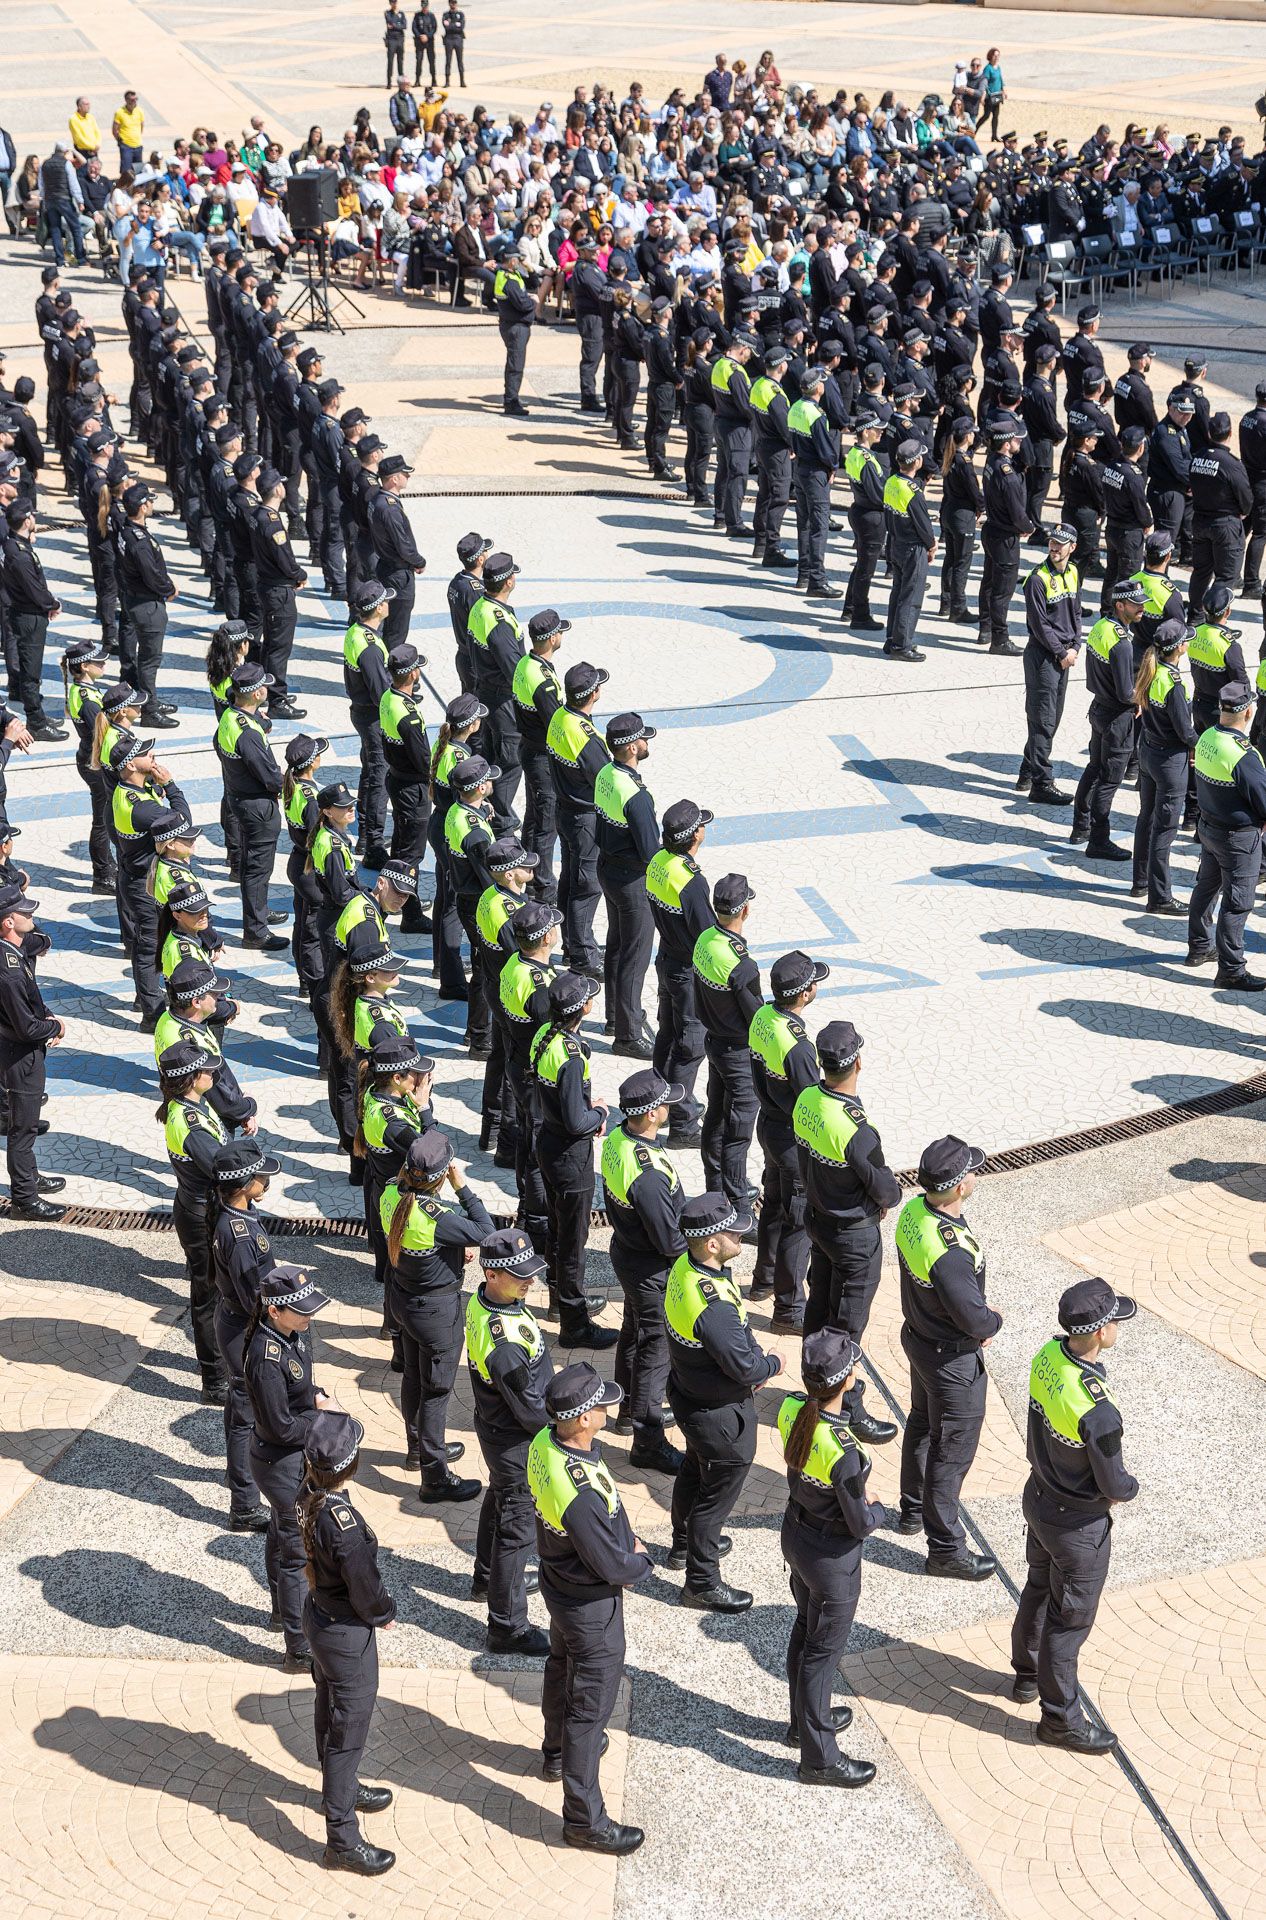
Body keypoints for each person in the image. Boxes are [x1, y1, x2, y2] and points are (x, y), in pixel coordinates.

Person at [527, 1361, 651, 1855]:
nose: (606, 1408)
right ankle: (584, 1819)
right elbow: (609, 1563)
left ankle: (555, 1751)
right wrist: (639, 1562)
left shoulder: (544, 1442)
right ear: (581, 1420)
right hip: (591, 1605)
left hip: (560, 1585)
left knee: (560, 1667)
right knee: (589, 1712)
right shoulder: (577, 1495)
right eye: (600, 1404)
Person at [1010, 1278, 1138, 1754]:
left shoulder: (1048, 1355)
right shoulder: (1098, 1409)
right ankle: (1060, 1721)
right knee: (1069, 1624)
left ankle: (1025, 1675)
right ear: (1101, 1332)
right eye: (1116, 1321)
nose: (1119, 1328)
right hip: (1077, 1528)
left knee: (1038, 1589)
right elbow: (1114, 1483)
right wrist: (1131, 1489)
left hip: (1039, 1497)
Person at [665, 1190, 783, 1611]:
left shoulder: (685, 1267)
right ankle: (701, 1580)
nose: (741, 1237)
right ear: (712, 1244)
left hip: (690, 1396)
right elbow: (744, 1367)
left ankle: (683, 1543)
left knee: (695, 1471)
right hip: (719, 1417)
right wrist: (771, 1364)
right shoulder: (711, 1307)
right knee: (713, 1504)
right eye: (734, 1233)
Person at [776, 1328, 881, 1790]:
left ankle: (803, 1721)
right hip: (832, 1559)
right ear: (848, 1378)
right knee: (823, 1654)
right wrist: (878, 1507)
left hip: (797, 1537)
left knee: (805, 1628)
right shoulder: (847, 1455)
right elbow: (860, 1523)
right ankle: (819, 1758)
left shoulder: (791, 1410)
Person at [296, 1409, 397, 1877]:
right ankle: (342, 1838)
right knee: (346, 1734)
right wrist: (385, 1613)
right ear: (349, 1466)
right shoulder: (343, 1523)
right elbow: (365, 1584)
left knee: (327, 1703)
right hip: (344, 1633)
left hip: (318, 1615)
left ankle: (339, 1786)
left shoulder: (308, 1491)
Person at [894, 1135, 1000, 1579]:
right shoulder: (950, 1253)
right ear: (959, 1187)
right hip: (951, 1360)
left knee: (921, 1423)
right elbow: (973, 1318)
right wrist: (991, 1322)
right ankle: (945, 1549)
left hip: (920, 1338)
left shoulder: (914, 1212)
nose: (976, 1174)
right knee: (950, 1452)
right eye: (971, 1170)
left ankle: (913, 1510)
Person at [793, 1019, 899, 1444]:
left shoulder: (805, 1100)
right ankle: (847, 1406)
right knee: (848, 1322)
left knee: (819, 1304)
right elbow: (885, 1188)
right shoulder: (856, 1128)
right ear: (857, 1062)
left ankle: (813, 1384)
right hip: (854, 1234)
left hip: (817, 1222)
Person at [381, 1128, 491, 1503]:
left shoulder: (390, 1194)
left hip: (403, 1299)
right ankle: (435, 1475)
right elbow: (487, 1232)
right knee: (436, 1393)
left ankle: (419, 1449)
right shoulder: (436, 1215)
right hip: (436, 1312)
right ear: (443, 1174)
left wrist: (454, 1252)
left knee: (413, 1376)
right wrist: (463, 1188)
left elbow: (421, 1244)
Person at [245, 1261, 337, 1673]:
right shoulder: (265, 1356)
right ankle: (298, 1647)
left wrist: (316, 1395)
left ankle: (281, 1611)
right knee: (297, 1551)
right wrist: (323, 1421)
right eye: (300, 1309)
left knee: (282, 1533)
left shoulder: (293, 1334)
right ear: (274, 1311)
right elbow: (280, 1424)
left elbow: (300, 1385)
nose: (309, 1315)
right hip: (279, 1462)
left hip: (290, 1455)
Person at [467, 1227, 555, 1647]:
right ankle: (506, 1625)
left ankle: (486, 1579)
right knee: (517, 1531)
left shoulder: (486, 1302)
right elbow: (530, 1408)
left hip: (495, 1428)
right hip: (515, 1441)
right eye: (519, 1274)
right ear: (490, 1274)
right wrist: (561, 1432)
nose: (529, 1280)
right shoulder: (505, 1346)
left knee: (499, 1498)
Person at [601, 1068, 687, 1475]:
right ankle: (647, 1440)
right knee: (656, 1350)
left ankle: (625, 1408)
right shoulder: (648, 1175)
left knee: (633, 1331)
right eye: (665, 1102)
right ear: (652, 1115)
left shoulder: (618, 1138)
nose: (671, 1105)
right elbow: (670, 1241)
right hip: (652, 1268)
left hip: (628, 1255)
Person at [528, 970, 617, 1348]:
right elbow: (576, 1120)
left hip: (548, 1143)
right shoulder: (570, 1057)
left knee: (558, 1230)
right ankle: (573, 1323)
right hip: (570, 1158)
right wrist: (600, 1113)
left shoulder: (544, 1037)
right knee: (572, 1242)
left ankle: (560, 1302)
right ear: (583, 1008)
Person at [749, 950, 828, 1332]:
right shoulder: (797, 1045)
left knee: (774, 1206)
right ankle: (789, 1310)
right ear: (804, 994)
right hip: (793, 1139)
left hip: (768, 1126)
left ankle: (763, 1279)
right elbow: (812, 1101)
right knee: (798, 1222)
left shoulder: (764, 1016)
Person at [208, 1138, 281, 1532]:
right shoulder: (238, 1235)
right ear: (242, 1184)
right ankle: (245, 1505)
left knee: (241, 1412)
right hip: (245, 1328)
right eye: (260, 1176)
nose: (265, 1180)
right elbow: (254, 1294)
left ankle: (241, 1483)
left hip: (238, 1324)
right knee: (245, 1417)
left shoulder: (239, 1217)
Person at [1187, 680, 1266, 989]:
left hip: (1209, 828)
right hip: (1238, 839)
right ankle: (1231, 969)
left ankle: (1198, 947)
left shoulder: (1207, 736)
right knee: (1238, 903)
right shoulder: (1243, 755)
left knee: (1206, 888)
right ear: (1248, 711)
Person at [693, 871, 762, 1209]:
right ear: (744, 910)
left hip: (714, 1042)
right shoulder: (741, 964)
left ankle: (714, 1187)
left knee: (717, 1119)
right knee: (738, 1131)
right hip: (738, 1053)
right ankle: (736, 1207)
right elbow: (757, 1019)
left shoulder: (705, 940)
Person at [595, 711, 659, 1058]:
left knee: (617, 947)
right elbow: (651, 850)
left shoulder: (606, 772)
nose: (646, 742)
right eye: (643, 738)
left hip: (608, 868)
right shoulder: (635, 794)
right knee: (634, 956)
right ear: (633, 746)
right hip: (633, 880)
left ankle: (614, 1016)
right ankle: (628, 1034)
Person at [0, 885, 64, 1221]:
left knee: (25, 1124)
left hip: (18, 1048)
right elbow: (25, 1027)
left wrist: (44, 1016)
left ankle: (29, 1177)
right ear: (8, 921)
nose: (32, 917)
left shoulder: (12, 950)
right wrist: (55, 1028)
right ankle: (25, 1199)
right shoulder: (8, 968)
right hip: (21, 1054)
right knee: (23, 1128)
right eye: (25, 913)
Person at [1070, 580, 1146, 863]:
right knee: (1109, 781)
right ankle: (1099, 840)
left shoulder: (1102, 628)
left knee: (1093, 769)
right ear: (1120, 605)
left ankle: (1081, 826)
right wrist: (1142, 699)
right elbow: (1127, 692)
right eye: (1136, 605)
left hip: (1099, 710)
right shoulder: (1123, 644)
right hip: (1117, 719)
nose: (1141, 608)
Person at [216, 661, 286, 950]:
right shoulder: (247, 733)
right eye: (263, 686)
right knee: (258, 868)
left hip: (240, 799)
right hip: (258, 806)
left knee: (253, 865)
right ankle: (256, 932)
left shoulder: (230, 719)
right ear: (256, 694)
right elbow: (270, 776)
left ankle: (258, 910)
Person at [547, 660, 610, 976]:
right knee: (586, 886)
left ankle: (573, 944)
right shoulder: (582, 734)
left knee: (571, 879)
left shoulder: (560, 717)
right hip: (585, 816)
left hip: (566, 810)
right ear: (592, 694)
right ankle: (583, 955)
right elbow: (604, 778)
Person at [1132, 620, 1195, 914]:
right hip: (1170, 762)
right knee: (1164, 830)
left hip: (1148, 752)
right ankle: (1160, 897)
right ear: (1179, 648)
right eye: (1186, 641)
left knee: (1146, 818)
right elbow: (1185, 731)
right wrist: (1202, 742)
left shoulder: (1152, 672)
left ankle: (1140, 881)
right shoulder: (1174, 685)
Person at [1018, 525, 1081, 807]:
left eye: (1061, 544)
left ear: (1072, 547)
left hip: (1064, 654)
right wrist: (1061, 652)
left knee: (1051, 719)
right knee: (1043, 720)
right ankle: (1042, 783)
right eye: (1052, 543)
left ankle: (1027, 770)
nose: (1055, 548)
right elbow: (1039, 624)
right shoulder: (1037, 579)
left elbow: (1076, 611)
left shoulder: (1074, 571)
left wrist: (1076, 645)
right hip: (1044, 656)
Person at [379, 640, 432, 933]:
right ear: (413, 675)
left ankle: (402, 903)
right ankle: (403, 912)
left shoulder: (389, 698)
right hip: (413, 789)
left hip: (397, 780)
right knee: (410, 855)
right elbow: (424, 760)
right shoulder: (409, 716)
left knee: (400, 850)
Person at [3, 501, 66, 742]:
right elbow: (34, 588)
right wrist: (53, 604)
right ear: (27, 521)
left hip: (29, 612)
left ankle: (38, 716)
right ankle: (36, 722)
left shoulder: (14, 544)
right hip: (29, 617)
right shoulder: (18, 554)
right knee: (30, 673)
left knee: (32, 669)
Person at [343, 579, 394, 868]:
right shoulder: (371, 647)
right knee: (378, 776)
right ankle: (373, 841)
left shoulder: (356, 632)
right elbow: (380, 692)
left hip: (361, 712)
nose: (389, 603)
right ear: (378, 608)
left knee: (369, 771)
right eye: (385, 600)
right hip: (373, 717)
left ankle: (364, 830)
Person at [883, 439, 935, 662]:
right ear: (918, 462)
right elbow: (923, 525)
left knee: (897, 593)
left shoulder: (891, 482)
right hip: (913, 548)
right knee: (911, 596)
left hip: (895, 542)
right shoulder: (913, 491)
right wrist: (932, 545)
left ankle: (892, 638)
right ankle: (902, 645)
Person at [788, 365, 838, 596]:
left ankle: (804, 574)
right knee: (819, 526)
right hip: (816, 473)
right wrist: (833, 467)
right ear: (817, 387)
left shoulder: (795, 407)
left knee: (804, 524)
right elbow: (826, 450)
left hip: (799, 469)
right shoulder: (816, 414)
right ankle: (817, 580)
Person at [842, 411, 887, 629]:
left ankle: (849, 608)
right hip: (871, 517)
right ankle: (860, 615)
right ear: (866, 431)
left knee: (861, 564)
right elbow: (877, 494)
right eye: (877, 429)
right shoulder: (867, 460)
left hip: (859, 511)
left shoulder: (854, 453)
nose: (881, 432)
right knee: (866, 570)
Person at [495, 245, 536, 418]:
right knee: (516, 365)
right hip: (515, 326)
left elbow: (534, 283)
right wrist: (533, 302)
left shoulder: (511, 275)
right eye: (518, 259)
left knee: (514, 362)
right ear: (512, 260)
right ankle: (511, 401)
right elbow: (522, 304)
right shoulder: (508, 279)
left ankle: (511, 397)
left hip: (513, 324)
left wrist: (530, 269)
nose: (520, 262)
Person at [441, 4, 467, 87]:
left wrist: (451, 24)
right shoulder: (446, 14)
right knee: (448, 60)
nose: (453, 4)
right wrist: (455, 24)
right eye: (452, 2)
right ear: (449, 4)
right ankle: (447, 81)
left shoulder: (461, 14)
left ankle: (462, 81)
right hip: (448, 39)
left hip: (458, 38)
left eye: (455, 2)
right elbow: (446, 27)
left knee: (460, 60)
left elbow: (461, 27)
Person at [383, 0, 407, 87]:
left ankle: (401, 81)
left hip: (400, 39)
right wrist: (397, 23)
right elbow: (389, 21)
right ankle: (389, 82)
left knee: (400, 61)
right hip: (391, 39)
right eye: (392, 2)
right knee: (390, 61)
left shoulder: (401, 13)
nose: (394, 4)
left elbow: (404, 26)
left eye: (395, 2)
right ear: (390, 3)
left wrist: (394, 25)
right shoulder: (387, 13)